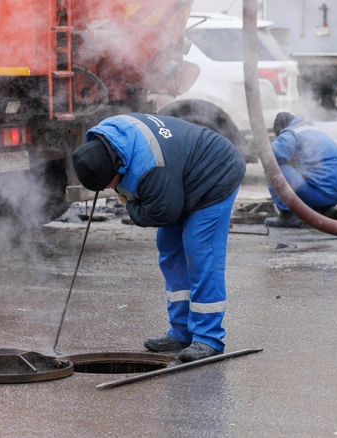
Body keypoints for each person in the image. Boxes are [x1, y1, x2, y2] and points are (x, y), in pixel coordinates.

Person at [71, 113, 246, 362]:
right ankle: (181, 332)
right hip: (179, 176)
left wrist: (130, 206)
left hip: (215, 174)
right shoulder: (110, 137)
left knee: (200, 253)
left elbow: (161, 212)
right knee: (169, 248)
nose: (110, 189)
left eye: (109, 184)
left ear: (115, 167)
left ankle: (208, 338)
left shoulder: (149, 167)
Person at [265, 112, 337, 228]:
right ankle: (324, 209)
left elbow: (271, 154)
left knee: (273, 167)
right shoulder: (314, 130)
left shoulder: (291, 133)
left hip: (320, 193)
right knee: (305, 170)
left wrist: (256, 149)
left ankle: (288, 215)